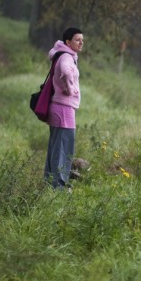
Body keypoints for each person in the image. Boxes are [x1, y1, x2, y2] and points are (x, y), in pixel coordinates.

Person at [44, 27, 83, 190]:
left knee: (55, 147)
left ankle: (49, 182)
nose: (81, 43)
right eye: (77, 40)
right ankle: (59, 186)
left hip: (58, 107)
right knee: (63, 148)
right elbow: (66, 73)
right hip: (63, 109)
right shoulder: (66, 57)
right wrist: (69, 88)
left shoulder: (63, 54)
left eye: (82, 40)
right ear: (68, 42)